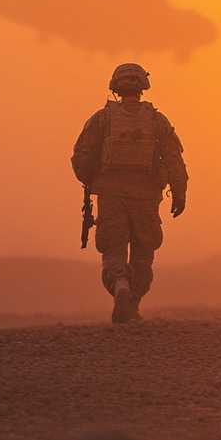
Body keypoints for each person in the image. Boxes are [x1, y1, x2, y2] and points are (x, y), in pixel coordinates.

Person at [72, 62, 188, 323]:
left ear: (115, 87)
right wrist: (179, 193)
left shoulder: (101, 119)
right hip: (146, 197)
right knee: (143, 251)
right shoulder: (157, 121)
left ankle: (121, 286)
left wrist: (95, 181)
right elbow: (174, 160)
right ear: (143, 87)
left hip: (111, 195)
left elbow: (81, 159)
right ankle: (133, 303)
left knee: (113, 249)